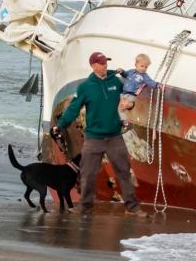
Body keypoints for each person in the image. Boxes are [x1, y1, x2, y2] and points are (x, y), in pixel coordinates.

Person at [52, 51, 142, 215]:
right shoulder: (86, 87)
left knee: (124, 172)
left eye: (106, 63)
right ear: (93, 66)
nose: (105, 66)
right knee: (87, 174)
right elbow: (73, 108)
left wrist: (138, 81)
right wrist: (60, 125)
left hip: (115, 136)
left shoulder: (115, 81)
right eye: (101, 63)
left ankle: (132, 207)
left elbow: (130, 92)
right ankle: (85, 207)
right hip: (93, 138)